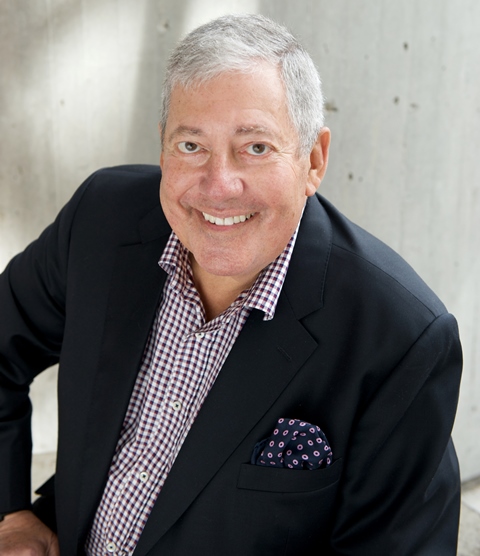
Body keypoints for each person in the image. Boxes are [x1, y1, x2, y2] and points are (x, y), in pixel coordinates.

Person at [0, 13, 462, 556]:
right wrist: (10, 514)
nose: (219, 187)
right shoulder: (102, 218)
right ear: (163, 147)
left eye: (256, 147)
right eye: (191, 146)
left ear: (313, 160)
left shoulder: (401, 336)